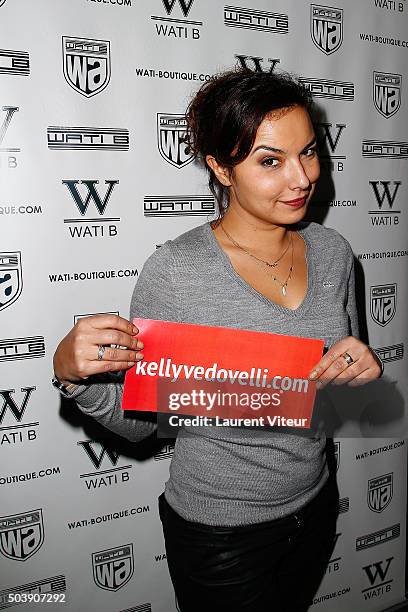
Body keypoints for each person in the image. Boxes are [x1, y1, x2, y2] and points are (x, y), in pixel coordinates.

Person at [53, 68, 383, 612]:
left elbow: (326, 394)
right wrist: (72, 377)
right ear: (220, 168)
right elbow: (139, 425)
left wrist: (356, 373)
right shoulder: (176, 273)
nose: (301, 178)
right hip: (221, 536)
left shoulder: (334, 252)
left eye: (308, 152)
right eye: (270, 161)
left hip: (317, 503)